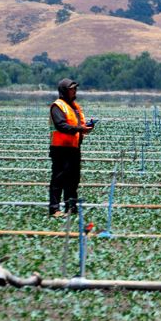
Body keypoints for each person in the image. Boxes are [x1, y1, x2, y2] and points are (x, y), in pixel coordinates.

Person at [48, 78, 95, 217]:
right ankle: (54, 209)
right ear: (64, 91)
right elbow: (61, 125)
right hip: (60, 148)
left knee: (73, 179)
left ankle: (71, 207)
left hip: (74, 148)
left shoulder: (74, 107)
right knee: (58, 179)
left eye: (75, 89)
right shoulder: (57, 106)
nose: (74, 91)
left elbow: (78, 124)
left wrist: (87, 126)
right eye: (71, 89)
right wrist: (79, 128)